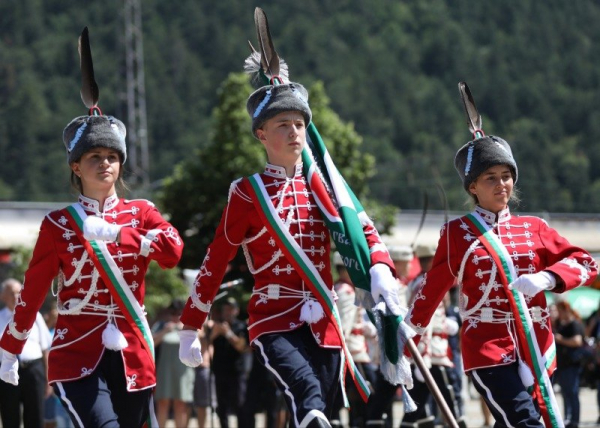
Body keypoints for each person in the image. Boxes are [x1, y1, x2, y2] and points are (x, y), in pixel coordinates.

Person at [177, 74, 403, 427]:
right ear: (262, 133)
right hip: (274, 316)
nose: (295, 131)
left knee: (320, 409)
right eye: (284, 124)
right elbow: (217, 256)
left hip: (326, 319)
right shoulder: (248, 192)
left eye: (300, 123)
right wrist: (192, 323)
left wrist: (380, 267)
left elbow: (362, 228)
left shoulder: (326, 185)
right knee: (306, 391)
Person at [0, 28, 183, 428]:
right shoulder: (58, 224)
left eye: (112, 157)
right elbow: (31, 292)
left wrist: (121, 235)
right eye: (94, 156)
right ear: (75, 166)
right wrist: (10, 348)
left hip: (133, 350)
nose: (105, 164)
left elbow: (173, 253)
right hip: (76, 353)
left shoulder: (142, 211)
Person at [404, 81, 598, 428]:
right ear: (473, 187)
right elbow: (430, 292)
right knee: (525, 422)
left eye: (507, 176)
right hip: (487, 350)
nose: (501, 184)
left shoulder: (534, 227)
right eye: (490, 177)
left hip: (536, 347)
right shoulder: (456, 233)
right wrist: (404, 347)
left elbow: (586, 263)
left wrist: (549, 277)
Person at [401, 245, 465, 428]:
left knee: (420, 399)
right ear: (429, 260)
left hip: (431, 351)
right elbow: (423, 321)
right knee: (447, 394)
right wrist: (425, 355)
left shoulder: (419, 281)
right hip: (432, 352)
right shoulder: (425, 283)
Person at [0, 278, 52, 428]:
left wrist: (49, 379)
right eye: (12, 293)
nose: (16, 296)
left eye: (19, 292)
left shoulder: (34, 315)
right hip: (7, 372)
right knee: (10, 416)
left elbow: (45, 349)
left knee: (35, 416)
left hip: (33, 371)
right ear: (3, 296)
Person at [152, 299, 194, 428]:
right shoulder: (161, 325)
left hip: (183, 371)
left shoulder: (188, 327)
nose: (175, 317)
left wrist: (183, 331)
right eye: (173, 313)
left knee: (181, 404)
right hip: (164, 370)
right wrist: (164, 331)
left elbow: (198, 343)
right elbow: (150, 344)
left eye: (178, 314)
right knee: (162, 403)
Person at [209, 297, 249, 428]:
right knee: (222, 406)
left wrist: (228, 334)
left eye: (230, 309)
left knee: (240, 404)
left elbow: (241, 347)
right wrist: (214, 333)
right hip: (220, 371)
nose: (227, 312)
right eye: (225, 309)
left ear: (236, 311)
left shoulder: (241, 326)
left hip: (237, 372)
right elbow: (205, 344)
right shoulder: (215, 325)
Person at [554, 299, 586, 428]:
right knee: (566, 393)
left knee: (572, 393)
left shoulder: (574, 325)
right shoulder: (561, 324)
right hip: (563, 364)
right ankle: (568, 418)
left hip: (571, 364)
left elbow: (577, 341)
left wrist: (561, 340)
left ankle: (574, 420)